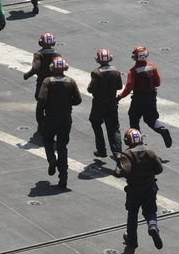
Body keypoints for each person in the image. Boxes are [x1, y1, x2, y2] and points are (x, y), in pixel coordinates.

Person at [115, 129, 164, 250]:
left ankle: (132, 241)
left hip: (134, 189)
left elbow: (125, 171)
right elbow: (159, 169)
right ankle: (152, 226)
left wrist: (117, 170)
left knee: (132, 214)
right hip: (149, 187)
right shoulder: (150, 151)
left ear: (127, 140)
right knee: (150, 211)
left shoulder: (127, 153)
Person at [37, 57, 81, 188]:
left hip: (51, 118)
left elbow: (42, 99)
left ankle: (51, 159)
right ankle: (63, 177)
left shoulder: (47, 81)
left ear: (52, 68)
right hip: (65, 118)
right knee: (62, 147)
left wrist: (40, 118)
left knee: (47, 140)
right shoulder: (71, 82)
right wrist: (67, 103)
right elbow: (78, 100)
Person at [117, 46, 173, 148]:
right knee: (151, 119)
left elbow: (128, 88)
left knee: (134, 119)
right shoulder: (152, 67)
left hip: (138, 99)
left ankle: (137, 143)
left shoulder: (133, 71)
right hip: (151, 98)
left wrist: (119, 97)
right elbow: (158, 82)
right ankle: (161, 129)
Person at [23, 32, 62, 137]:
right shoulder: (57, 54)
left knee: (40, 104)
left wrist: (27, 75)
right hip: (56, 82)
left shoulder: (38, 54)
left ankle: (41, 125)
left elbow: (36, 68)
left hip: (42, 83)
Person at [87, 49, 122, 158]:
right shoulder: (116, 71)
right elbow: (120, 86)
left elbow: (90, 89)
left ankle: (101, 150)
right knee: (114, 128)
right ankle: (117, 153)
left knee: (96, 124)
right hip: (112, 103)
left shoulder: (96, 73)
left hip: (98, 104)